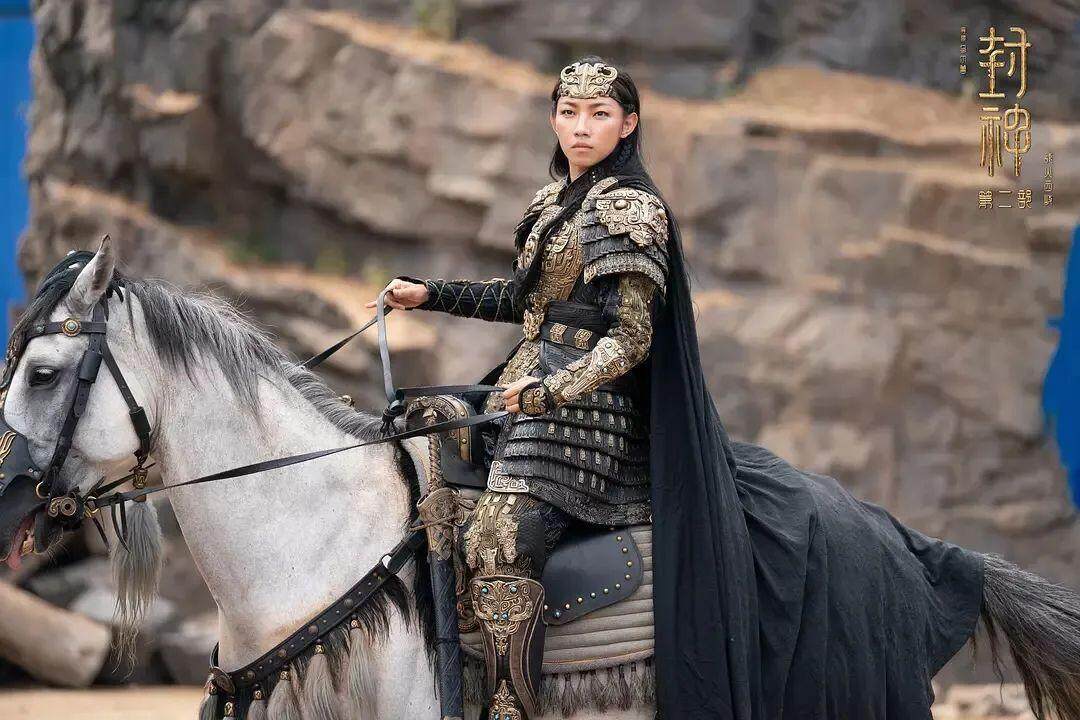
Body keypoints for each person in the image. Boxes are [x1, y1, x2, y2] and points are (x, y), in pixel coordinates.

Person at [369, 57, 987, 720]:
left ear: (628, 123)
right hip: (522, 391)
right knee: (424, 444)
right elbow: (526, 303)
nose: (582, 127)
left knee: (501, 537)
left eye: (600, 114)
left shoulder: (632, 210)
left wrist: (553, 392)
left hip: (591, 415)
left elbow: (631, 339)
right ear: (553, 120)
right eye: (570, 113)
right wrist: (432, 294)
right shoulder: (551, 204)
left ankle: (508, 707)